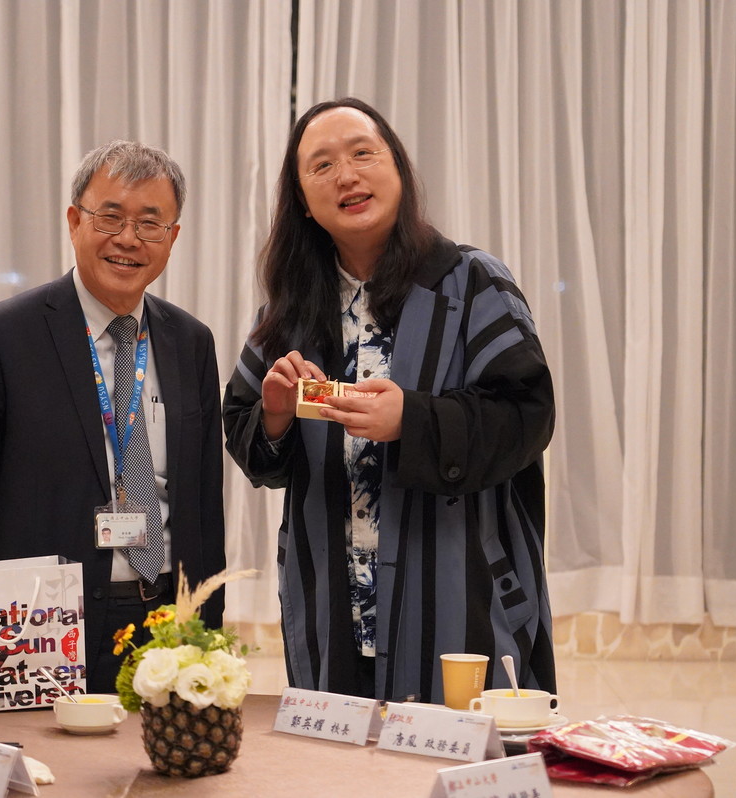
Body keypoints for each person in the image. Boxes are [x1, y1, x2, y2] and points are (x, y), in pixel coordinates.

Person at [223, 98, 555, 703]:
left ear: (397, 168)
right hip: (332, 599)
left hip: (459, 592)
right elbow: (244, 430)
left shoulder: (473, 283)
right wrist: (274, 415)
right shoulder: (288, 309)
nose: (346, 175)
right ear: (302, 199)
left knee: (455, 768)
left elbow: (527, 415)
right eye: (321, 166)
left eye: (362, 153)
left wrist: (414, 420)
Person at [0, 140, 226, 693]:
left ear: (173, 238)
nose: (128, 239)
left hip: (164, 618)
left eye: (150, 223)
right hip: (38, 627)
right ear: (74, 221)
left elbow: (205, 508)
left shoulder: (191, 342)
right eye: (110, 216)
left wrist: (204, 634)